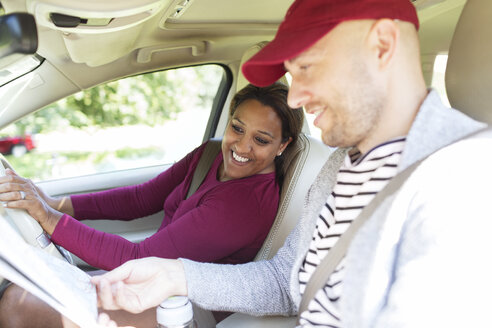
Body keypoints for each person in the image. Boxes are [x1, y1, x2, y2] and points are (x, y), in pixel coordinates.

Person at [91, 0, 492, 327]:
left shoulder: (464, 177)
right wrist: (175, 275)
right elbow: (287, 282)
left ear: (382, 45)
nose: (295, 97)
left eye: (305, 68)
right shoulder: (341, 165)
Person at [0, 82, 304, 327]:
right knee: (27, 290)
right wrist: (58, 204)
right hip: (153, 282)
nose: (241, 147)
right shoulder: (210, 155)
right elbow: (140, 199)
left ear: (283, 145)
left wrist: (49, 218)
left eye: (261, 140)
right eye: (237, 128)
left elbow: (138, 257)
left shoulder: (245, 205)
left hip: (191, 306)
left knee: (18, 306)